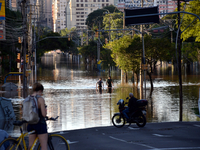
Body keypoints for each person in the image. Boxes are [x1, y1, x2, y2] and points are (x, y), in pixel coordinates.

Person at [27, 83, 47, 150]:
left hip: (30, 124)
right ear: (40, 91)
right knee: (44, 146)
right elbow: (44, 114)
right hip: (39, 124)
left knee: (31, 146)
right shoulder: (40, 99)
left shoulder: (28, 98)